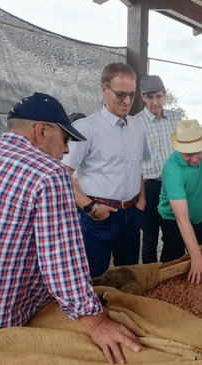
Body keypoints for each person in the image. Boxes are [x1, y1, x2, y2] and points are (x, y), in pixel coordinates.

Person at [0, 92, 141, 364]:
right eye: (65, 140)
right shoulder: (48, 173)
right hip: (8, 315)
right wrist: (95, 321)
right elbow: (60, 258)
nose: (66, 150)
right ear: (42, 131)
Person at [62, 62, 148, 278]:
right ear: (104, 89)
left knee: (127, 275)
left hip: (131, 213)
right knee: (93, 276)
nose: (127, 101)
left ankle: (122, 311)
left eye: (131, 94)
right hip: (98, 216)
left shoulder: (137, 126)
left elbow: (137, 166)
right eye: (120, 95)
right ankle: (94, 312)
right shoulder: (86, 128)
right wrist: (90, 207)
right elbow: (62, 174)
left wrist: (141, 202)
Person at [136, 74, 182, 264]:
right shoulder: (136, 123)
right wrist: (140, 196)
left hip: (174, 187)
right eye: (150, 97)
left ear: (164, 95)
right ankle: (151, 279)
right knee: (149, 240)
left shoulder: (175, 118)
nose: (155, 102)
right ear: (143, 97)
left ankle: (168, 277)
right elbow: (134, 163)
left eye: (159, 96)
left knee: (174, 236)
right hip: (150, 188)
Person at [158, 120, 202, 283]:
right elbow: (181, 218)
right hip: (174, 220)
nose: (195, 159)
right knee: (173, 263)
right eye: (188, 154)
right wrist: (195, 257)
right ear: (179, 148)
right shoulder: (172, 169)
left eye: (198, 152)